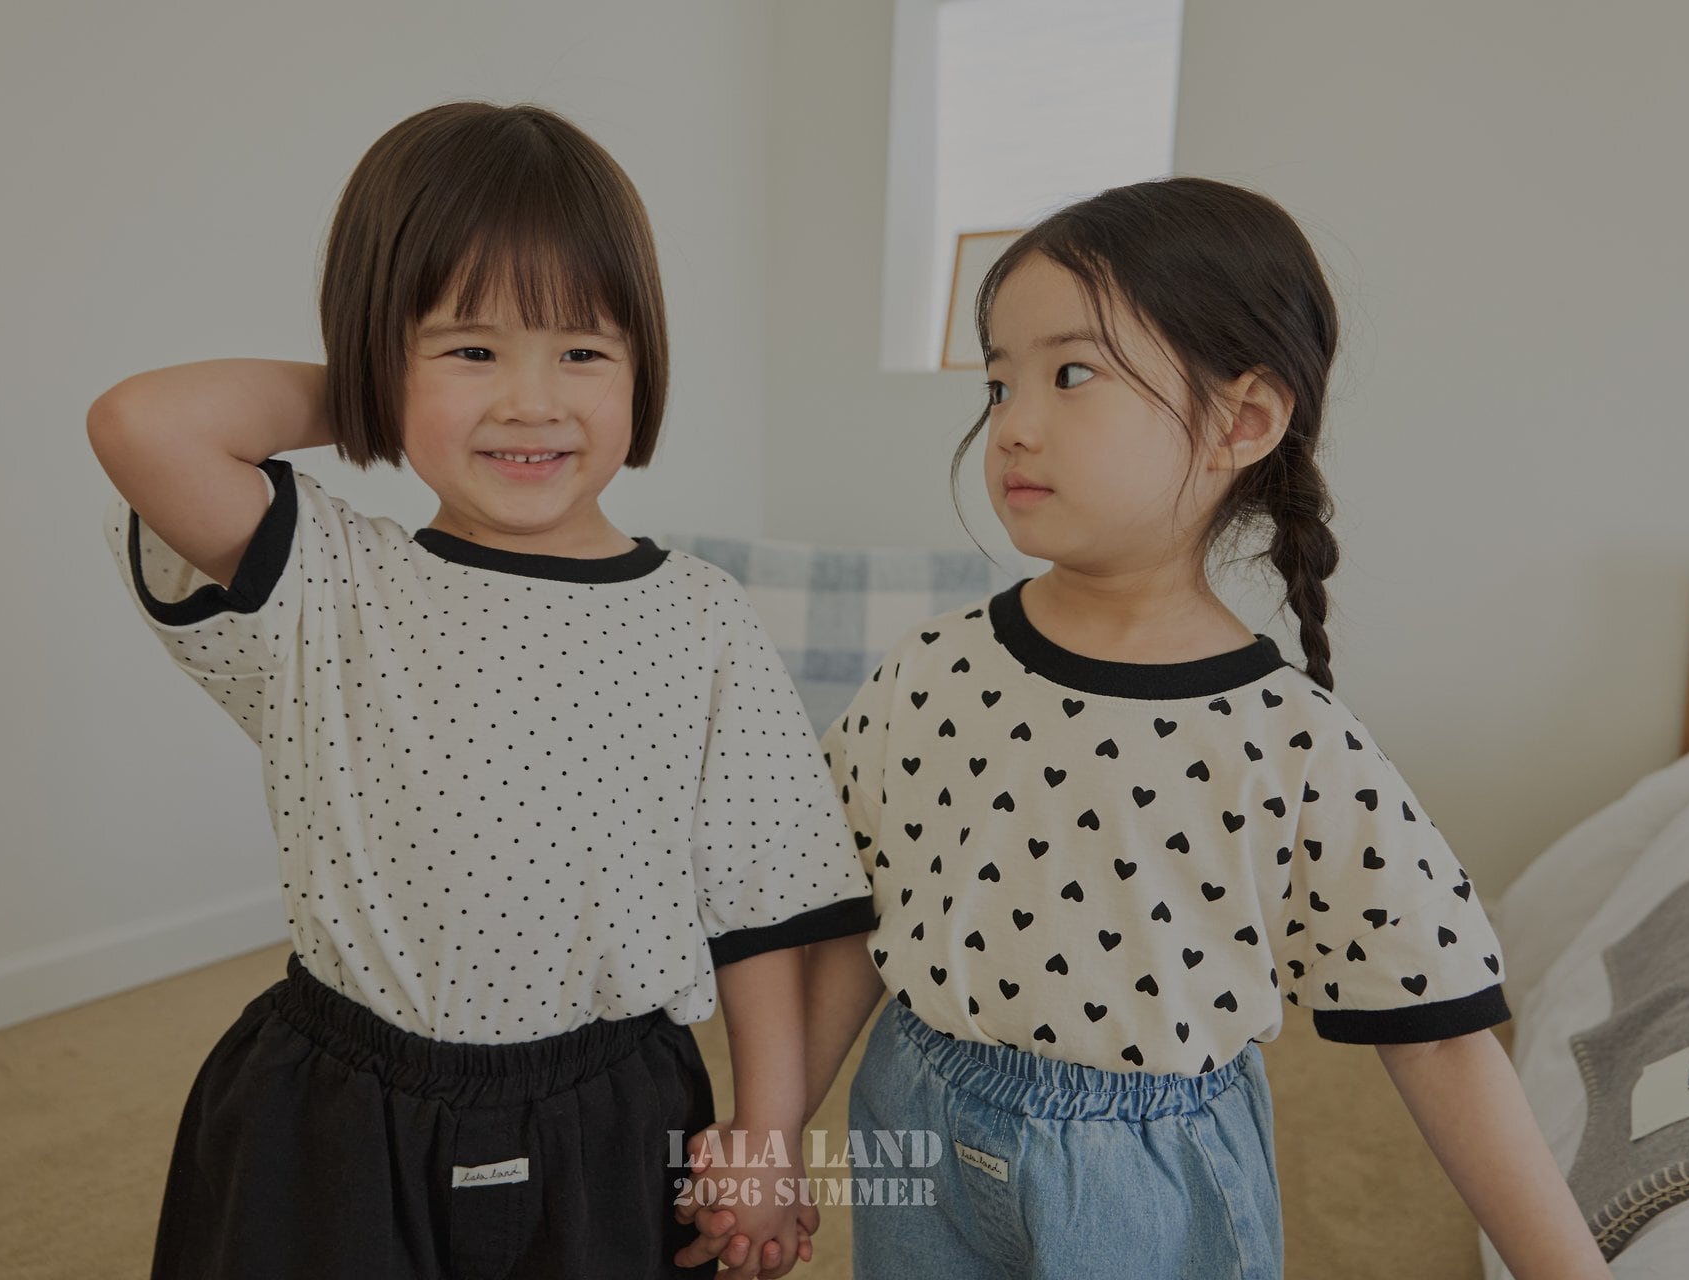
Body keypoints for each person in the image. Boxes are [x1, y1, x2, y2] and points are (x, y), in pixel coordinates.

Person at [679, 178, 1610, 1278]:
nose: (1014, 423)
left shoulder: (1291, 742)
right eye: (999, 382)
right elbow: (853, 922)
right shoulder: (930, 670)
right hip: (915, 1116)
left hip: (1149, 1175)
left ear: (1241, 421)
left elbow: (1442, 1035)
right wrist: (771, 1137)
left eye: (1072, 374)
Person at [89, 100, 869, 1280]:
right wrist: (376, 389)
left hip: (611, 1107)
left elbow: (764, 902)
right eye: (470, 350)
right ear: (381, 357)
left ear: (643, 365)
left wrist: (768, 1134)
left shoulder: (703, 616)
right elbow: (141, 422)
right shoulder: (331, 576)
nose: (530, 402)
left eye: (583, 351)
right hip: (339, 1104)